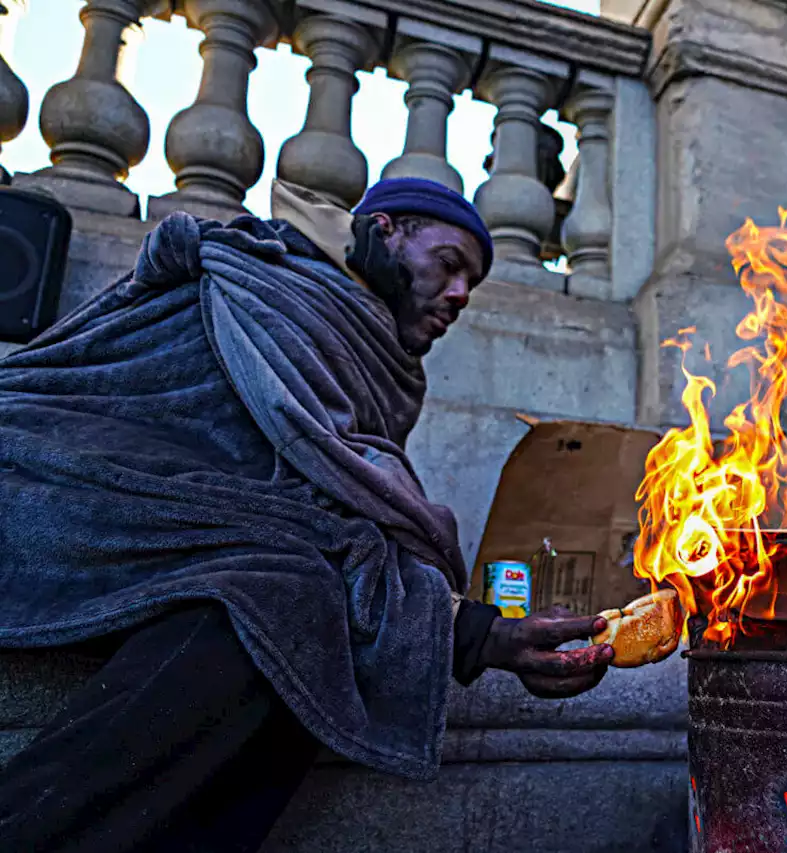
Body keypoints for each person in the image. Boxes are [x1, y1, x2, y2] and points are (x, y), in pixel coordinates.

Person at [0, 176, 615, 852]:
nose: (461, 295)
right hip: (48, 475)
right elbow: (284, 495)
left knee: (299, 604)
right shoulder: (278, 288)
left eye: (469, 281)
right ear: (384, 232)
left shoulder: (367, 353)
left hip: (186, 524)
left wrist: (476, 632)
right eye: (448, 264)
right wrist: (474, 633)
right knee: (279, 595)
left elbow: (323, 508)